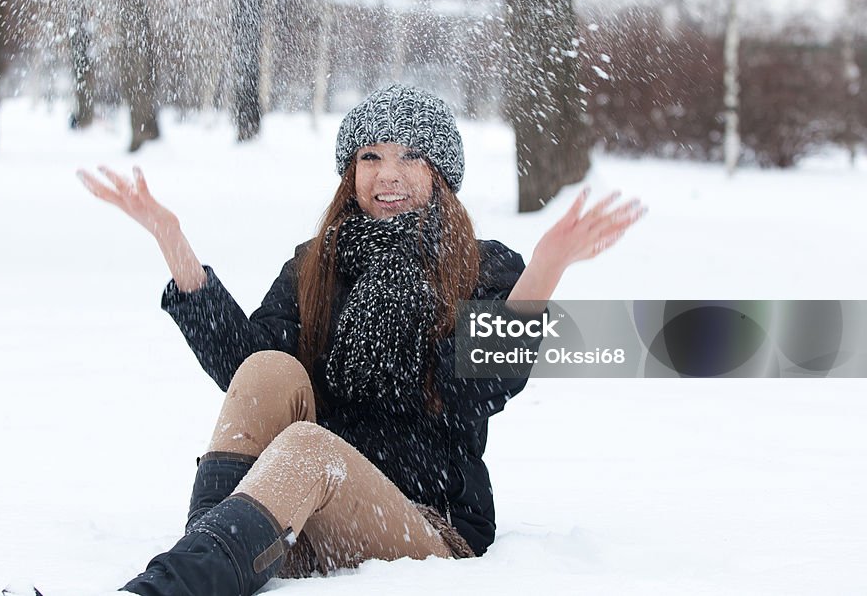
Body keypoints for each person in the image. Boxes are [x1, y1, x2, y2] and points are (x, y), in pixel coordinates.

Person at [71, 85, 646, 596]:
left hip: (428, 525)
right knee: (272, 371)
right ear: (350, 173)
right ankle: (211, 556)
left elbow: (484, 382)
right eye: (370, 156)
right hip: (308, 504)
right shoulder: (316, 265)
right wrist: (175, 246)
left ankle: (176, 587)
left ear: (439, 173)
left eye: (409, 156)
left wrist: (546, 268)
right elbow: (246, 373)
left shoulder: (481, 265)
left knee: (309, 447)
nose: (387, 175)